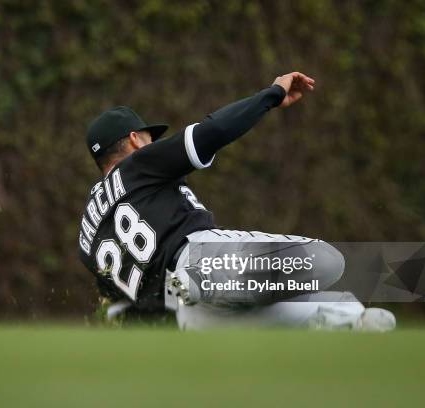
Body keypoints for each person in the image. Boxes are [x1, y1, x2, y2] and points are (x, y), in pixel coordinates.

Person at [78, 72, 395, 331]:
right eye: (148, 137)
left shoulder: (87, 233)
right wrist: (271, 95)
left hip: (187, 317)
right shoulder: (137, 165)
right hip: (203, 265)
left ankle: (351, 320)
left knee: (346, 314)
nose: (152, 142)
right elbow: (213, 131)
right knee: (327, 260)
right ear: (135, 139)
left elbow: (120, 308)